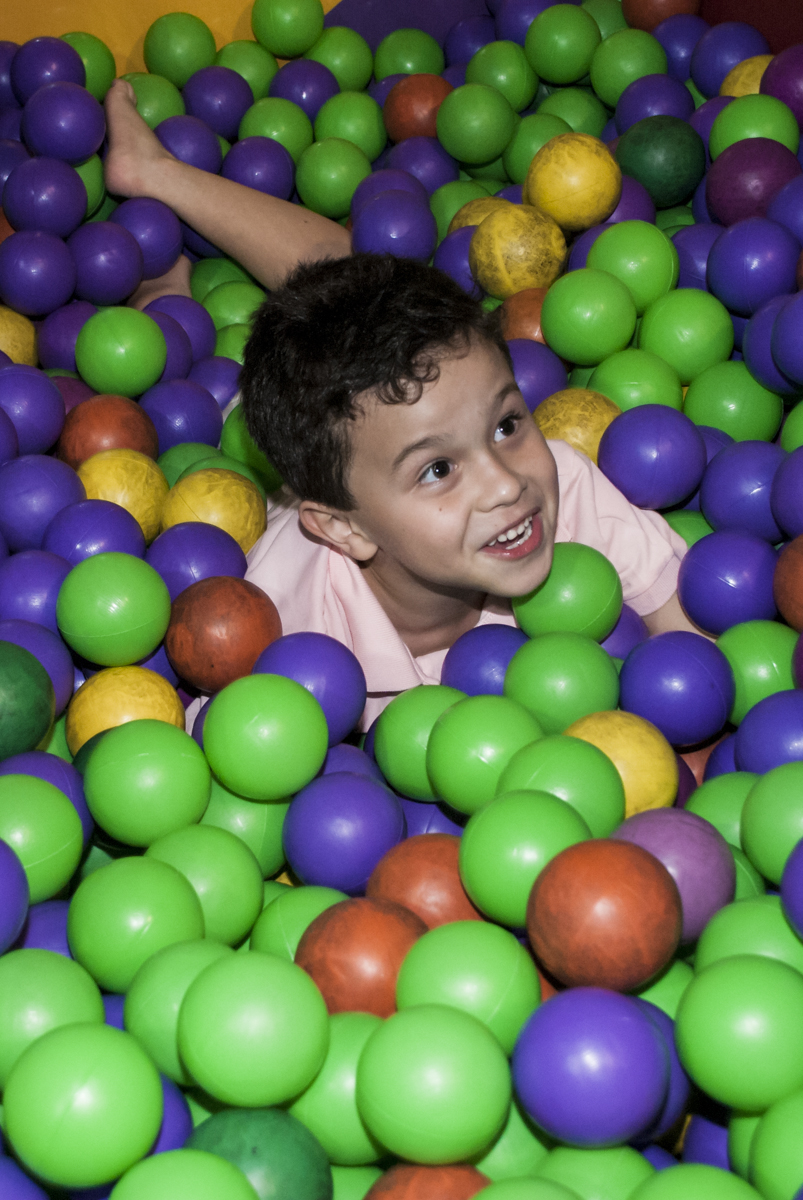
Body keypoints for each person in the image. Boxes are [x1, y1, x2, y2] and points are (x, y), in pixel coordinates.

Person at [104, 79, 697, 727]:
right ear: (345, 529)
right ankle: (161, 277)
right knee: (169, 342)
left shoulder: (566, 488)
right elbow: (223, 742)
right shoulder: (294, 629)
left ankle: (159, 173)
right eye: (438, 470)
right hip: (282, 443)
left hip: (357, 429)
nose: (506, 484)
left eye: (504, 424)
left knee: (340, 272)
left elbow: (693, 650)